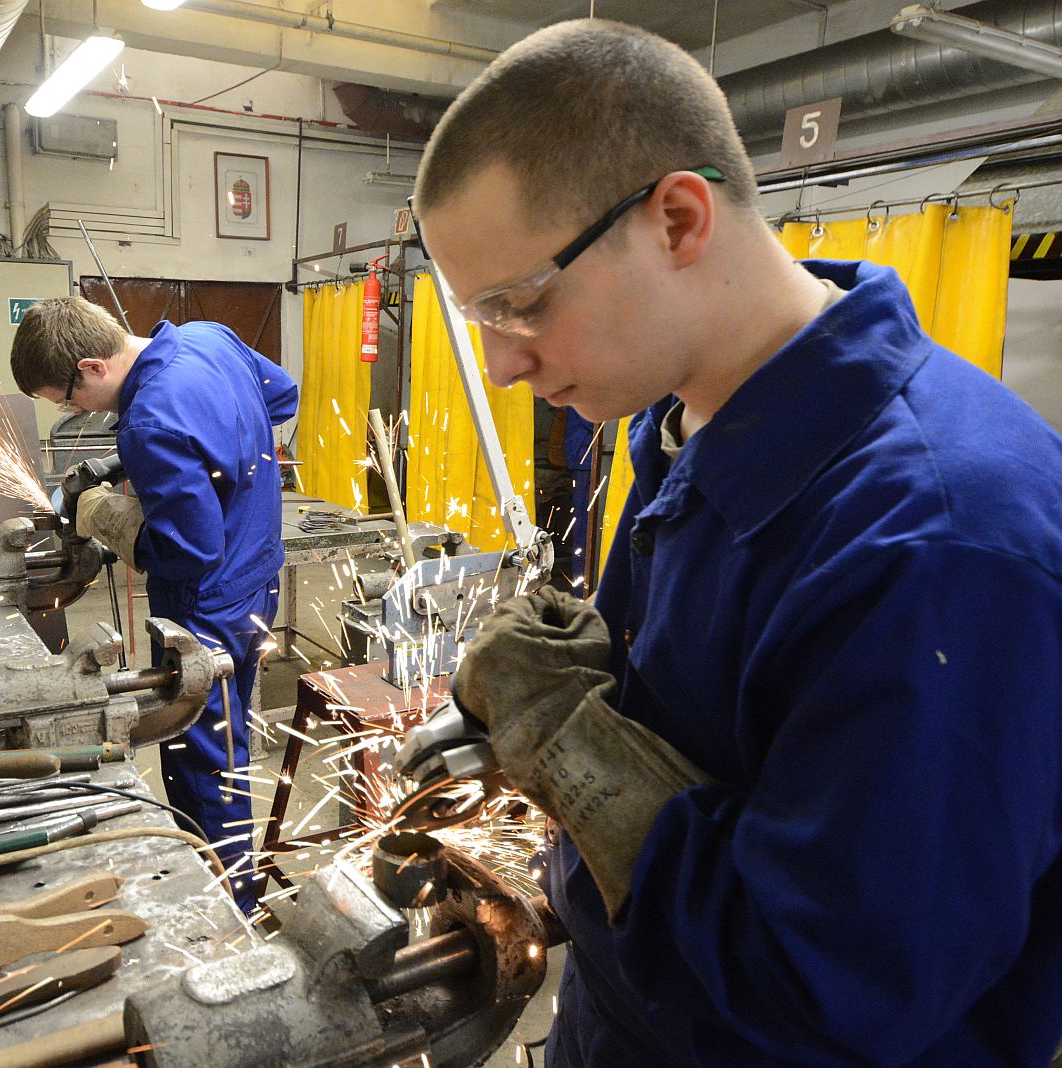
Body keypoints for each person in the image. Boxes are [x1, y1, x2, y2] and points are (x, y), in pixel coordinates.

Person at [409, 18, 1062, 1067]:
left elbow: (831, 990)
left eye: (521, 305)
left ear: (676, 219)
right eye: (477, 318)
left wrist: (577, 753)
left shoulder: (942, 542)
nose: (498, 367)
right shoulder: (678, 422)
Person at [9, 297, 297, 916]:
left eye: (67, 398)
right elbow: (281, 396)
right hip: (258, 579)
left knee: (205, 763)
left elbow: (189, 549)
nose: (71, 411)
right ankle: (216, 882)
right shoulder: (209, 335)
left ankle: (232, 913)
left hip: (206, 609)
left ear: (90, 365)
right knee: (225, 739)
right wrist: (142, 460)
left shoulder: (150, 421)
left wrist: (109, 517)